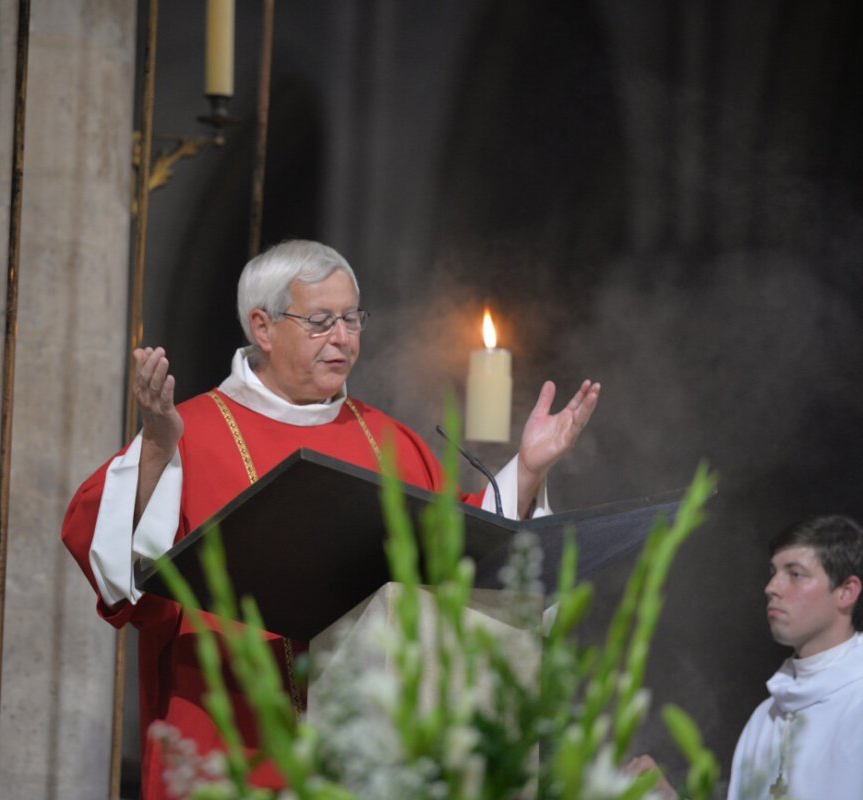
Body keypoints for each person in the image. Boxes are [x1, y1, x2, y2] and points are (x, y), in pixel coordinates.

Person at [62, 239, 600, 799]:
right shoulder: (187, 434)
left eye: (351, 319)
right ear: (262, 328)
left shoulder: (388, 440)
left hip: (367, 757)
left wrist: (528, 469)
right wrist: (153, 450)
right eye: (320, 321)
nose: (343, 338)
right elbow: (121, 578)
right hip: (231, 746)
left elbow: (463, 557)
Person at [628, 514, 863, 800]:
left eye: (795, 574)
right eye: (773, 572)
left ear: (846, 592)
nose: (772, 587)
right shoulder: (766, 717)